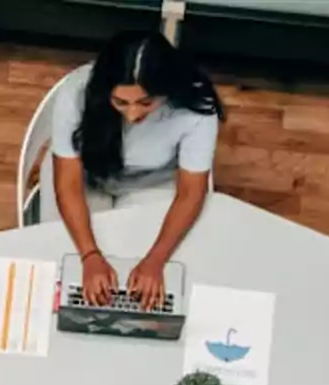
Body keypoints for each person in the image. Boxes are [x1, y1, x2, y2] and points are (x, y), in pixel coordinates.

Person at [44, 31, 225, 309]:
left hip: (153, 181)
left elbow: (190, 192)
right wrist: (90, 255)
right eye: (120, 102)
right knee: (63, 264)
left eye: (146, 102)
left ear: (168, 90)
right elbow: (67, 183)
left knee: (155, 270)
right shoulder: (76, 92)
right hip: (88, 176)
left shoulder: (195, 108)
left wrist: (155, 260)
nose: (132, 115)